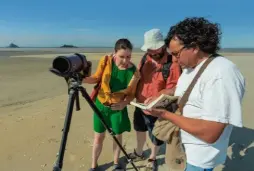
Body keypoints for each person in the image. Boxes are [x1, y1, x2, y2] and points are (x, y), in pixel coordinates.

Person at [144, 17, 246, 171]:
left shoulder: (221, 73)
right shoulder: (192, 67)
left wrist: (164, 114)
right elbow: (189, 91)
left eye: (177, 54)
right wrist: (166, 93)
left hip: (199, 158)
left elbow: (210, 132)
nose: (175, 60)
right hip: (184, 150)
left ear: (195, 47)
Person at [83, 38, 141, 171]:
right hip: (101, 105)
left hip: (118, 108)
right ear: (114, 53)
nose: (125, 61)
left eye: (128, 56)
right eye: (122, 56)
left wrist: (124, 104)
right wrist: (83, 79)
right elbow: (96, 78)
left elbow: (132, 94)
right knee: (98, 137)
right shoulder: (106, 61)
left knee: (117, 137)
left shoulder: (134, 72)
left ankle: (116, 163)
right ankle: (93, 165)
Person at [128, 29, 182, 170]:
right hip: (140, 103)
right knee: (139, 129)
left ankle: (152, 157)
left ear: (162, 46)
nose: (152, 52)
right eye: (149, 49)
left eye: (154, 49)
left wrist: (156, 97)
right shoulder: (146, 58)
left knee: (155, 135)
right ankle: (139, 152)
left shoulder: (173, 63)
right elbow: (138, 77)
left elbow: (174, 88)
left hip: (156, 108)